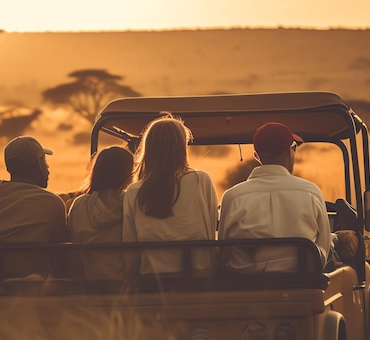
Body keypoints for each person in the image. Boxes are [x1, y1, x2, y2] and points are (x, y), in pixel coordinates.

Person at [218, 122, 332, 272]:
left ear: (256, 156)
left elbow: (223, 253)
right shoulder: (311, 192)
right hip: (301, 283)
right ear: (289, 152)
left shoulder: (232, 197)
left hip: (245, 285)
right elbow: (323, 250)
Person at [122, 115, 219, 275]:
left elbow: (130, 243)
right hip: (198, 275)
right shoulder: (201, 180)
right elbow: (210, 228)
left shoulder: (134, 191)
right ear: (180, 147)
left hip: (152, 278)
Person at [0, 135, 68, 277]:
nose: (48, 168)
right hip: (33, 283)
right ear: (39, 165)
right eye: (45, 161)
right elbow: (62, 253)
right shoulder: (52, 203)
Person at [68, 145, 134, 279]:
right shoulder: (131, 202)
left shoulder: (80, 204)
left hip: (88, 280)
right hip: (124, 282)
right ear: (128, 173)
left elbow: (74, 245)